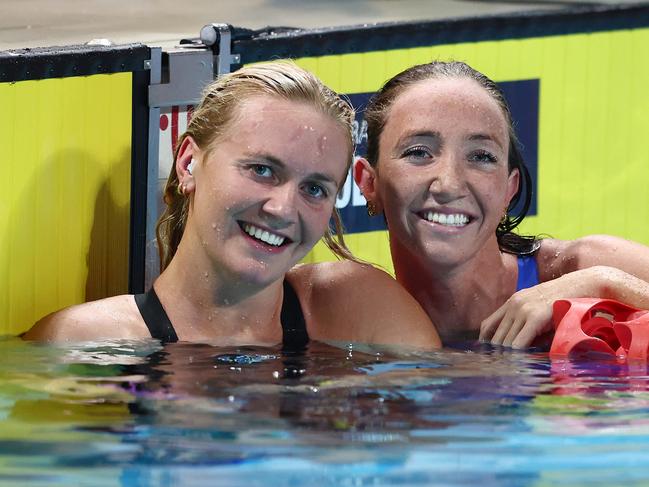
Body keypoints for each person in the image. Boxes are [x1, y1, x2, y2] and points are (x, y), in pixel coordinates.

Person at [25, 61, 440, 350]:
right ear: (188, 163)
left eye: (314, 189)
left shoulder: (360, 310)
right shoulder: (84, 343)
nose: (282, 209)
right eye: (261, 169)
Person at [353, 60, 649, 348]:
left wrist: (603, 284)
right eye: (419, 152)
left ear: (510, 189)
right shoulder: (348, 315)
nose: (450, 184)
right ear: (369, 182)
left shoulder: (576, 268)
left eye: (481, 156)